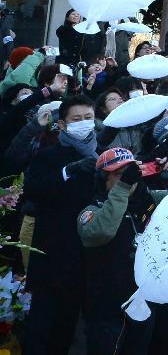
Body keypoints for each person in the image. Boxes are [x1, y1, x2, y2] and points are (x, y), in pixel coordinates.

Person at [78, 145, 168, 354]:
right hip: (107, 305)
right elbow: (101, 232)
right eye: (119, 175)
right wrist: (123, 188)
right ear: (103, 179)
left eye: (131, 173)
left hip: (142, 300)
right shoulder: (91, 210)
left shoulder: (149, 199)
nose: (128, 179)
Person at [22, 94, 99, 353]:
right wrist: (68, 171)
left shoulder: (100, 156)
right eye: (76, 119)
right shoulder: (49, 154)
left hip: (84, 253)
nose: (84, 123)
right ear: (63, 125)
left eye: (88, 118)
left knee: (67, 323)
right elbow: (32, 188)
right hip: (52, 250)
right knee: (42, 322)